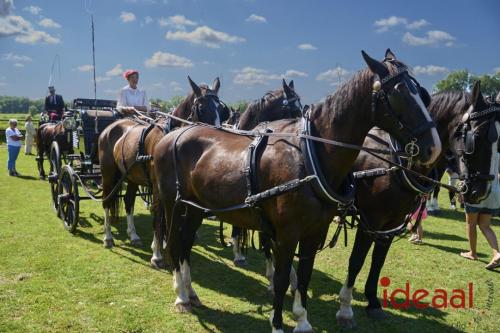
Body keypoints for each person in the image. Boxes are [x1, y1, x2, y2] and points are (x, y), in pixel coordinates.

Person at [460, 152, 500, 270]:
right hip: (493, 192)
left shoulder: (479, 150)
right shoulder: (497, 154)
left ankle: (473, 253)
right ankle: (497, 254)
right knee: (485, 225)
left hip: (476, 190)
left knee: (470, 223)